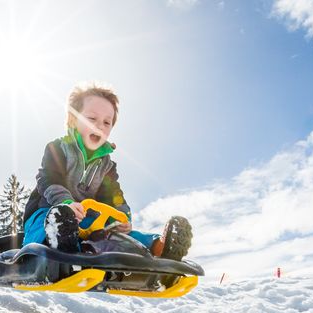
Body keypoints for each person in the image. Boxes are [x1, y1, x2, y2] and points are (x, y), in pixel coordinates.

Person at [21, 82, 191, 261]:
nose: (100, 126)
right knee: (47, 224)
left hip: (87, 220)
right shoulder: (58, 148)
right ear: (73, 119)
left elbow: (114, 196)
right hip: (47, 210)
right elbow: (49, 179)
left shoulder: (107, 166)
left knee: (120, 235)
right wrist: (66, 203)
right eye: (92, 119)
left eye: (106, 122)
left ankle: (159, 247)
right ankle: (57, 242)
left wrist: (123, 218)